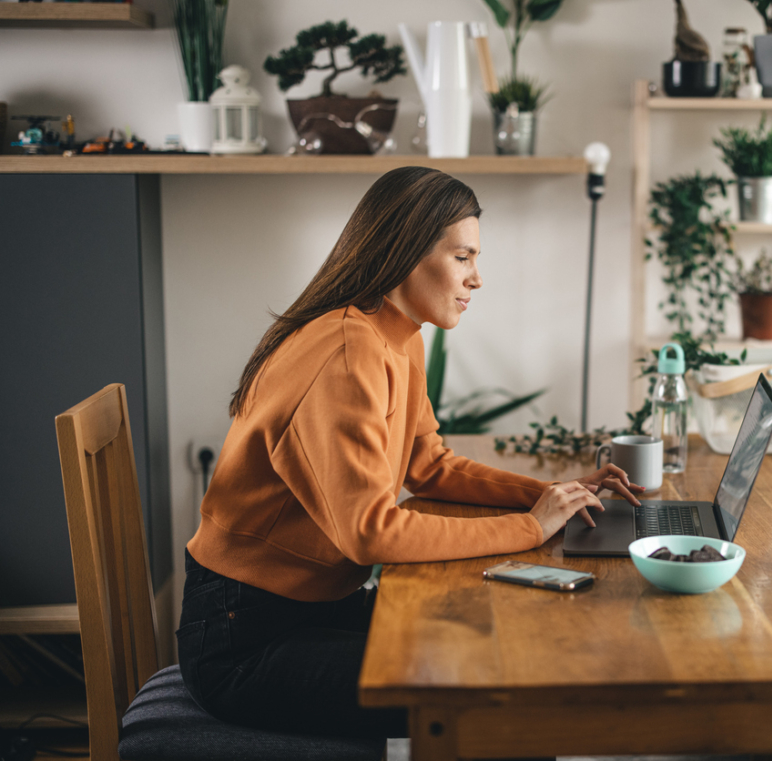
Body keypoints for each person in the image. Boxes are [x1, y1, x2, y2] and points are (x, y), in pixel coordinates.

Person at [177, 166, 645, 741]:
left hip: (307, 608)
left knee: (503, 648)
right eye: (463, 257)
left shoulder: (398, 334)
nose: (477, 279)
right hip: (245, 640)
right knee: (497, 697)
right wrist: (528, 528)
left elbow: (430, 465)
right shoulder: (347, 353)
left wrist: (553, 498)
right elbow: (370, 533)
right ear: (403, 252)